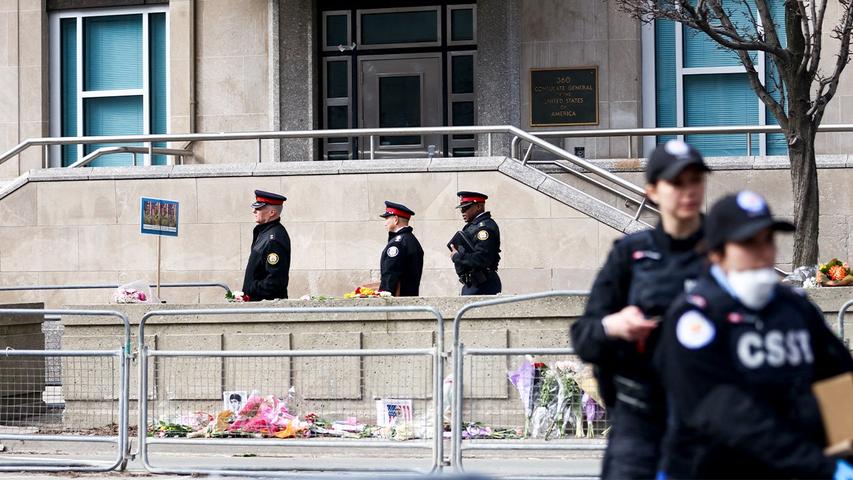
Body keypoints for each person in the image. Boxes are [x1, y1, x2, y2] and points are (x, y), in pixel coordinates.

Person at [655, 191, 853, 479]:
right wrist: (824, 468)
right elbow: (728, 415)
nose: (763, 252)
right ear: (717, 252)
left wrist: (846, 452)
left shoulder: (794, 308)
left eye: (767, 241)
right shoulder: (693, 318)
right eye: (748, 243)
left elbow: (838, 381)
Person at [570, 139, 710, 479]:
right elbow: (584, 337)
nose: (688, 191)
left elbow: (822, 364)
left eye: (696, 181)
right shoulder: (631, 255)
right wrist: (613, 326)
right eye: (677, 182)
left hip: (709, 427)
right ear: (652, 191)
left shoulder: (727, 252)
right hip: (640, 425)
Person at [448, 191, 501, 295]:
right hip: (473, 284)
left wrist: (458, 257)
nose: (462, 212)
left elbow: (482, 258)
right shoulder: (473, 226)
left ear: (478, 206)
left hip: (483, 285)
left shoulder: (484, 229)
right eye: (461, 208)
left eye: (466, 208)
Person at [242, 190, 291, 301]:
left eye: (259, 208)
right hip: (259, 304)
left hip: (266, 306)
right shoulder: (265, 233)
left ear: (272, 213)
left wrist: (250, 290)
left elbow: (275, 282)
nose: (254, 211)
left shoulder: (273, 239)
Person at [378, 201, 424, 296]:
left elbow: (390, 275)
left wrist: (383, 296)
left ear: (395, 219)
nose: (385, 223)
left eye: (387, 218)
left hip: (397, 303)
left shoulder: (397, 243)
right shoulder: (411, 240)